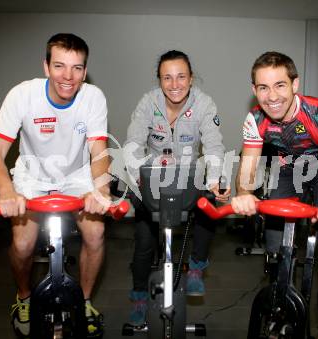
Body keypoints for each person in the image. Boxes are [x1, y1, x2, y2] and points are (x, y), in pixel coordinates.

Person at [231, 51, 318, 339]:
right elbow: (247, 172)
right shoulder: (255, 120)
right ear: (254, 90)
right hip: (288, 170)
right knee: (273, 243)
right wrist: (244, 193)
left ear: (295, 84)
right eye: (263, 87)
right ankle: (280, 309)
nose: (272, 96)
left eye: (280, 85)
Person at [0, 33, 111, 338]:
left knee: (96, 233)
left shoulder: (93, 97)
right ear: (45, 66)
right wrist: (6, 191)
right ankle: (25, 297)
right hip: (32, 175)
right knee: (23, 244)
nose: (68, 77)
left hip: (76, 174)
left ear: (85, 70)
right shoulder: (22, 96)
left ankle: (83, 300)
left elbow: (99, 152)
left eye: (77, 68)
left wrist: (101, 190)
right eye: (59, 66)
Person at [123, 50, 231, 327]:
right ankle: (138, 296)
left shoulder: (204, 104)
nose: (174, 84)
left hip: (188, 177)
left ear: (191, 78)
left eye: (181, 76)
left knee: (210, 206)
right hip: (152, 178)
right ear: (159, 80)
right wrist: (137, 175)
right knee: (144, 240)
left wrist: (217, 177)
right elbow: (134, 144)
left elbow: (214, 145)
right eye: (167, 78)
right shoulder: (148, 103)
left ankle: (196, 266)